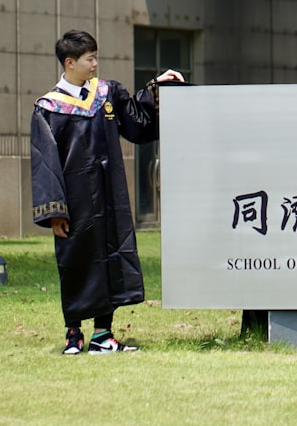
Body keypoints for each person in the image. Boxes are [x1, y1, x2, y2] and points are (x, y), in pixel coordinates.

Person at [30, 29, 184, 355]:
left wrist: (158, 87)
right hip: (74, 202)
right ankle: (74, 334)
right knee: (76, 261)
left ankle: (103, 334)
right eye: (90, 59)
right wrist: (54, 212)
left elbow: (137, 121)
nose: (95, 64)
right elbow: (45, 162)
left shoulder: (107, 94)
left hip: (110, 197)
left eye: (96, 57)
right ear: (70, 63)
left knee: (111, 257)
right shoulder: (49, 108)